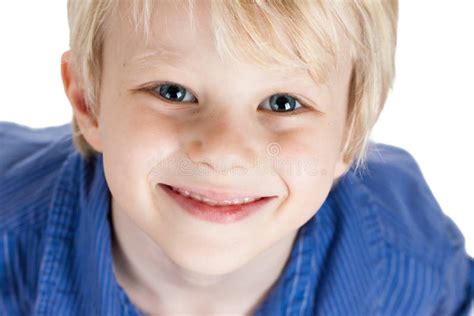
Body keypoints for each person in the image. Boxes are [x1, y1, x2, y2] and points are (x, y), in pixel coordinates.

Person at [1, 0, 473, 315]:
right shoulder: (10, 245)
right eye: (173, 91)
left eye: (283, 103)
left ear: (351, 131)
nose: (224, 154)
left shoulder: (411, 258)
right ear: (88, 100)